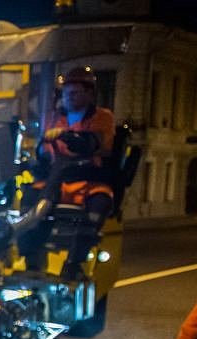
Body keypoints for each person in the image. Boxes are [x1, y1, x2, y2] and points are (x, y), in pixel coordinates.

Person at [17, 65, 117, 278]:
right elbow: (44, 151)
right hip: (57, 178)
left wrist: (66, 135)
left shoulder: (102, 117)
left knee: (98, 207)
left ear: (89, 93)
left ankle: (74, 263)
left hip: (89, 179)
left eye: (74, 93)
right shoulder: (54, 118)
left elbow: (93, 143)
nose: (68, 97)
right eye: (65, 93)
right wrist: (36, 161)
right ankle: (31, 259)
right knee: (29, 200)